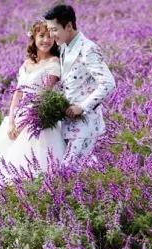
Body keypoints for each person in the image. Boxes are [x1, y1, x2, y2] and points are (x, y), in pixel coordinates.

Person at [0, 20, 66, 182]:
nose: (46, 40)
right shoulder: (27, 63)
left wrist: (23, 124)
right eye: (41, 36)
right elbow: (17, 94)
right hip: (21, 114)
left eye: (50, 36)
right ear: (34, 38)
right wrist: (12, 121)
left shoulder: (54, 63)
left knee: (37, 165)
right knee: (9, 162)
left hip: (38, 118)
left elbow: (43, 98)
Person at [44, 4, 116, 166]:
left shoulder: (88, 49)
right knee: (78, 170)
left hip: (86, 123)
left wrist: (83, 106)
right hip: (67, 122)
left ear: (69, 26)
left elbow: (108, 83)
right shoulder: (63, 47)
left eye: (54, 29)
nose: (51, 34)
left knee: (67, 170)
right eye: (49, 29)